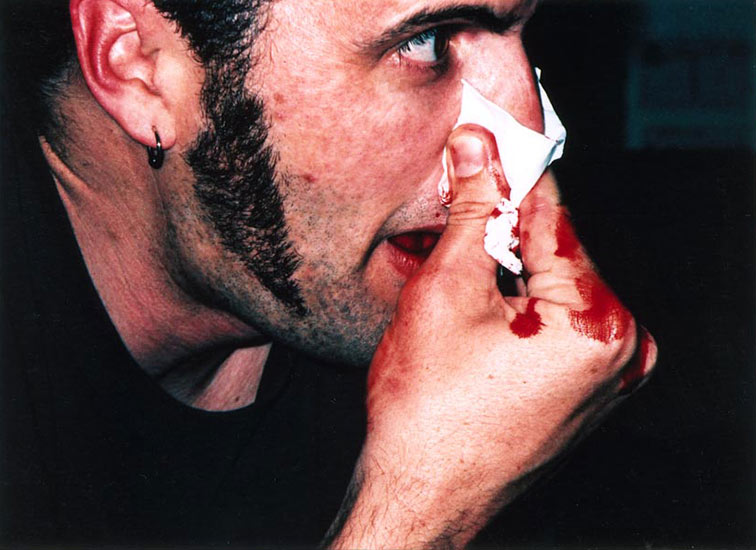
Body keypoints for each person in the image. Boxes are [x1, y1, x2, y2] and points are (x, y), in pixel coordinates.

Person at [0, 0, 657, 547]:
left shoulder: (477, 363)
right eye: (426, 42)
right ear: (136, 65)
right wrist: (416, 512)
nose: (531, 134)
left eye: (525, 35)